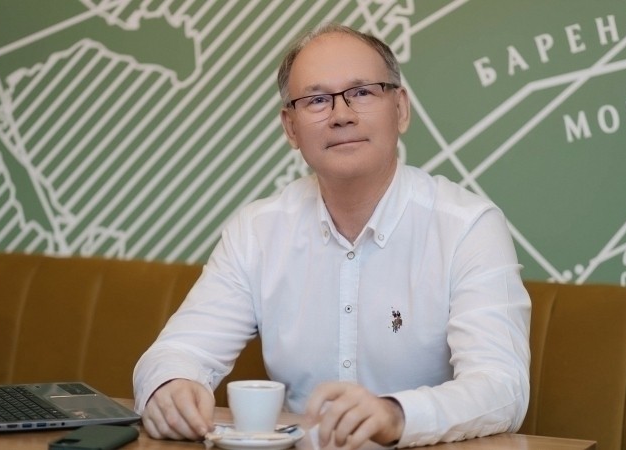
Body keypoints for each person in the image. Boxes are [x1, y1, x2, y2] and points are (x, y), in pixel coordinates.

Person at [133, 23, 531, 449]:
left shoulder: (467, 226)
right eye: (317, 100)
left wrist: (396, 415)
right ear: (290, 127)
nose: (342, 115)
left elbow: (501, 386)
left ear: (400, 109)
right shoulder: (257, 230)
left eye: (362, 92)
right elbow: (177, 353)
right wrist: (170, 387)